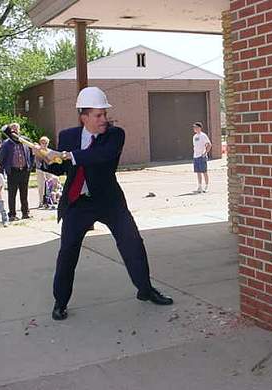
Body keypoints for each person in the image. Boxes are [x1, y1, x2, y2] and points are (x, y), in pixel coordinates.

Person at [35, 86, 173, 321]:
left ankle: (145, 290)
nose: (104, 119)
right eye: (98, 115)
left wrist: (69, 155)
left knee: (132, 244)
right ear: (84, 117)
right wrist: (45, 159)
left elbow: (102, 155)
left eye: (104, 114)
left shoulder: (115, 135)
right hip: (78, 202)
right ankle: (60, 301)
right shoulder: (68, 136)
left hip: (109, 201)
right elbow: (60, 168)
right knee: (68, 252)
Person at [0, 123, 34, 221]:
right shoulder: (6, 143)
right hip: (12, 171)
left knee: (24, 193)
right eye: (12, 129)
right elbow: (2, 158)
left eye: (16, 129)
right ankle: (12, 214)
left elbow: (32, 154)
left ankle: (25, 213)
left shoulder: (25, 140)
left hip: (24, 170)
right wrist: (2, 171)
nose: (14, 131)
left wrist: (30, 166)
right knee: (12, 194)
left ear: (19, 130)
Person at [192, 121, 211, 193]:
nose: (194, 128)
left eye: (196, 127)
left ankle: (206, 186)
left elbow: (209, 145)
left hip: (202, 156)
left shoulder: (203, 135)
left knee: (204, 172)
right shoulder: (194, 136)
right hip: (196, 156)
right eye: (194, 127)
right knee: (198, 172)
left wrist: (205, 153)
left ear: (199, 128)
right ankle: (199, 186)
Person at [35, 136, 52, 208]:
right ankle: (41, 201)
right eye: (43, 143)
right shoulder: (37, 150)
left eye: (46, 143)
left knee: (49, 185)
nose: (44, 144)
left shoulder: (50, 151)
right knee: (41, 186)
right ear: (40, 143)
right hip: (40, 170)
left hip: (48, 170)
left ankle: (48, 201)